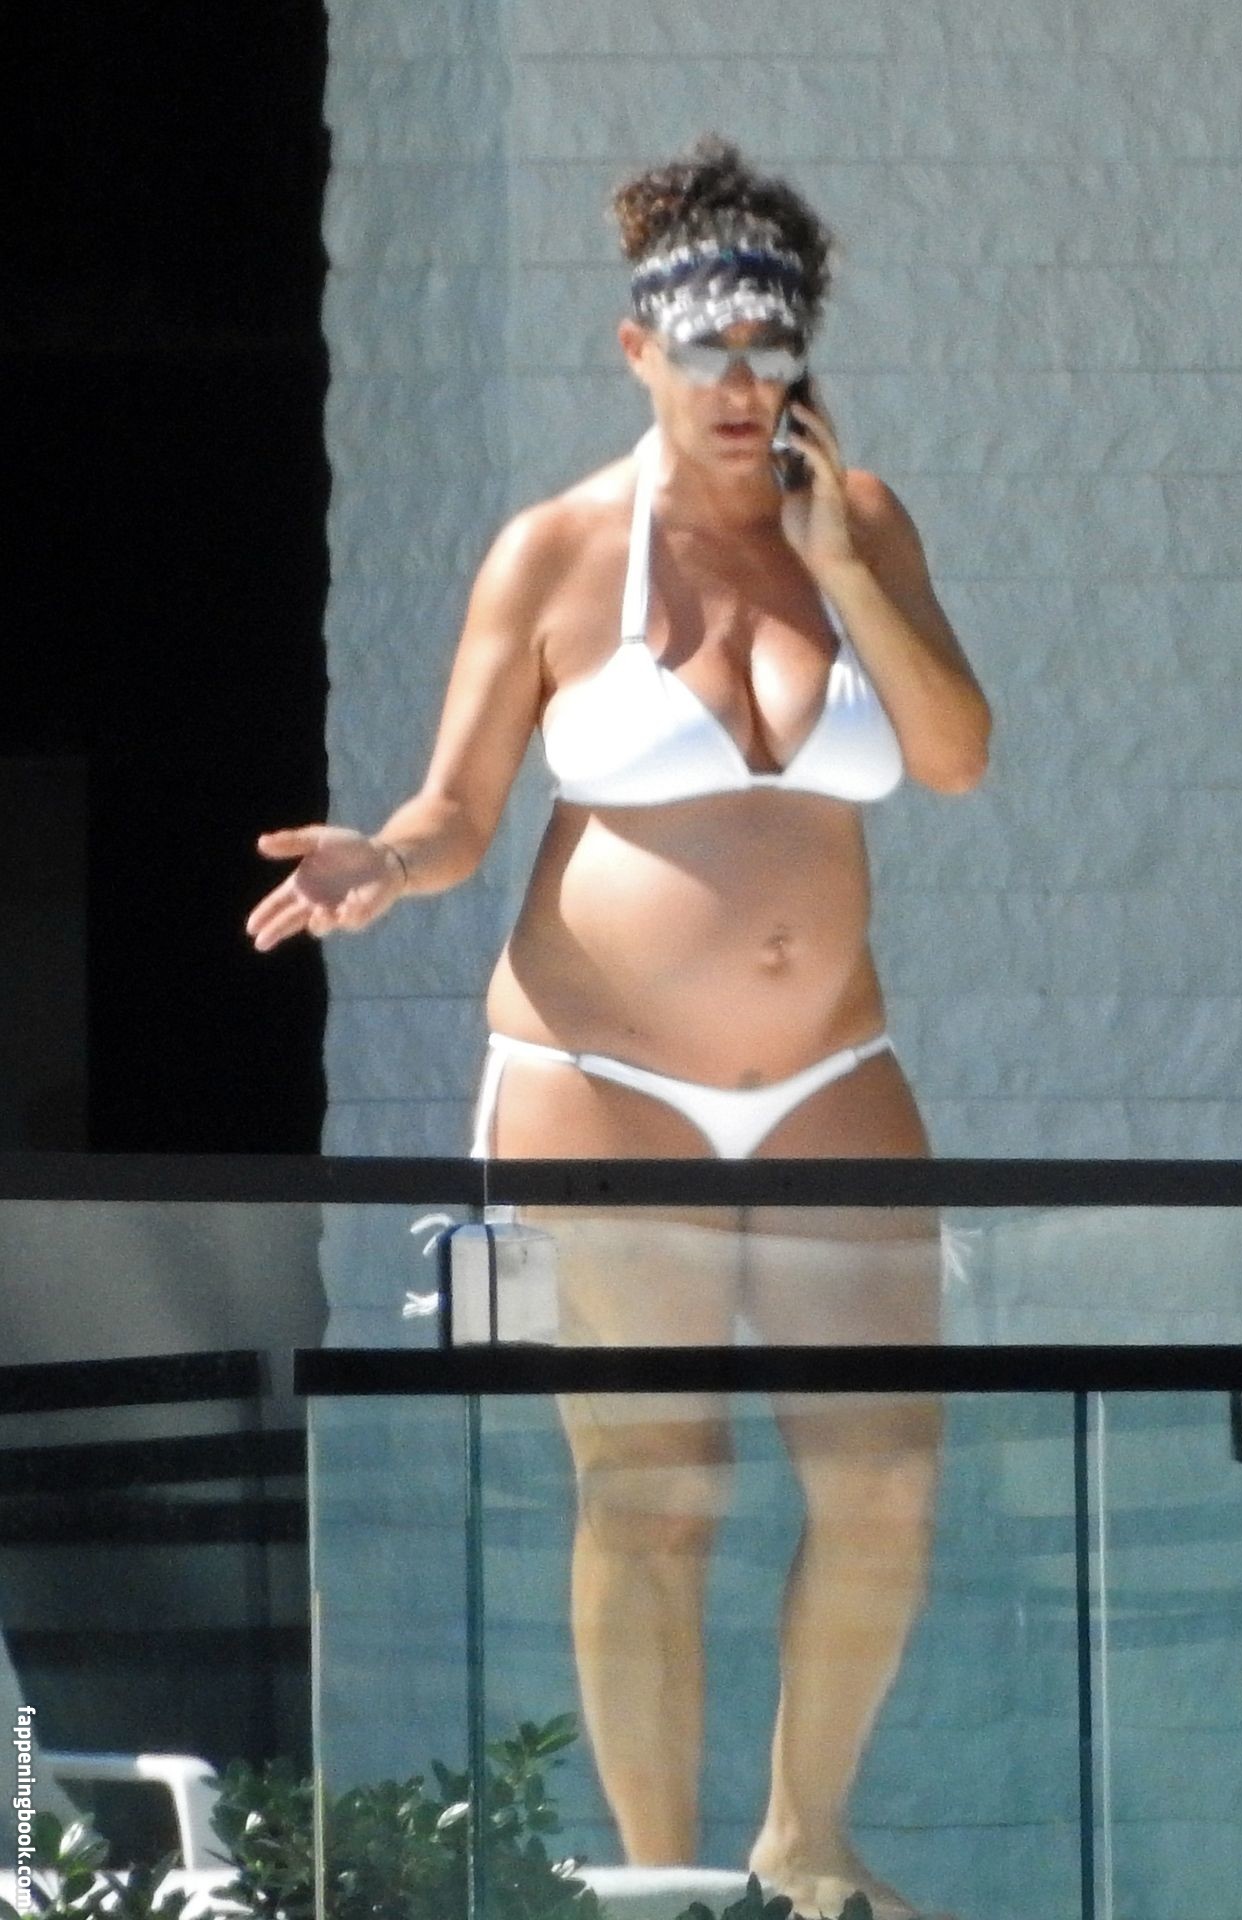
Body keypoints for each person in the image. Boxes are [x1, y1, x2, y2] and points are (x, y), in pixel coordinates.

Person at [248, 137, 990, 1918]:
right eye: (705, 347)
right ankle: (666, 1887)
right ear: (637, 348)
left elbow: (955, 754)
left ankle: (804, 1838)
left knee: (887, 1478)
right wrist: (382, 862)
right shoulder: (560, 551)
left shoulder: (861, 519)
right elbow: (458, 812)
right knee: (662, 1489)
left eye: (771, 346)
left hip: (830, 1074)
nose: (742, 384)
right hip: (601, 1078)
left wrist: (842, 564)